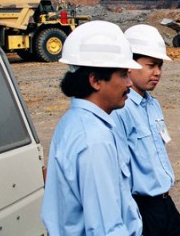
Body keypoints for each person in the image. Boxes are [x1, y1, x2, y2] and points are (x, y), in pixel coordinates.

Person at [41, 20, 143, 236]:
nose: (129, 83)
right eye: (123, 74)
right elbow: (106, 229)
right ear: (96, 80)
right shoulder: (93, 139)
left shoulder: (74, 122)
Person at [111, 24, 180, 236]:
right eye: (150, 65)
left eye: (160, 66)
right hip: (142, 208)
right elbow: (118, 170)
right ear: (128, 65)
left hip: (165, 204)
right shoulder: (120, 110)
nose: (157, 73)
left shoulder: (153, 105)